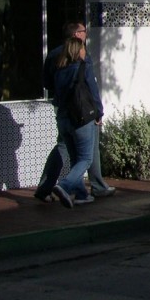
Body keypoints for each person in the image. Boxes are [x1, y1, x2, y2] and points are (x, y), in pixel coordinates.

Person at [34, 22, 115, 202]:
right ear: (77, 35)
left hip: (63, 111)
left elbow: (47, 83)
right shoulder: (82, 57)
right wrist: (99, 111)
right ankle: (75, 186)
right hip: (82, 111)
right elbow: (91, 87)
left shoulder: (55, 55)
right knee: (85, 155)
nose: (86, 34)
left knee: (68, 150)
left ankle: (76, 191)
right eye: (84, 31)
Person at [49, 36, 103, 208]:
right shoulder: (83, 66)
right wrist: (99, 112)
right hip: (81, 118)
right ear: (79, 50)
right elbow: (93, 92)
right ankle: (64, 185)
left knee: (75, 159)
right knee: (86, 158)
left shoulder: (58, 70)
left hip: (63, 119)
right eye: (83, 48)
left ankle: (81, 194)